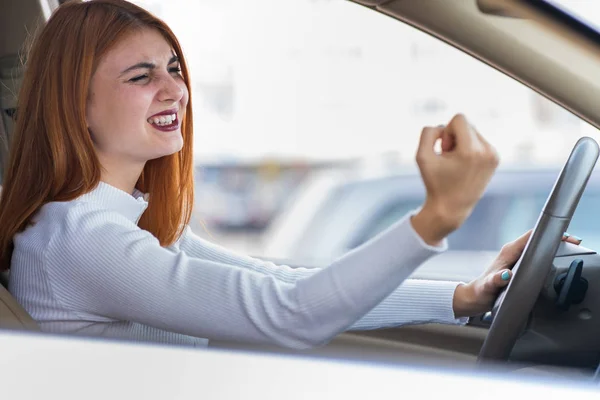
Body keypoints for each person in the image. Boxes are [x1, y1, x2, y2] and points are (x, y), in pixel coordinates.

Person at [0, 0, 579, 350]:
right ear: (74, 103)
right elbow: (290, 316)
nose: (175, 88)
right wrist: (434, 219)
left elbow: (279, 286)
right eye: (141, 76)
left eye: (174, 68)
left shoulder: (132, 224)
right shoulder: (83, 242)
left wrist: (464, 295)